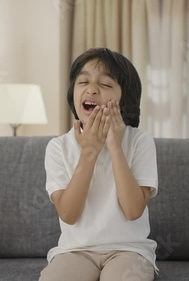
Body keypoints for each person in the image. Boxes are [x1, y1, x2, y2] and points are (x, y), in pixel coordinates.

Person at [39, 47, 158, 281]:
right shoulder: (58, 147)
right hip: (75, 251)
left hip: (130, 250)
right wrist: (89, 153)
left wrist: (114, 146)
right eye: (83, 82)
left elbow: (134, 211)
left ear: (122, 102)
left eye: (105, 85)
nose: (91, 89)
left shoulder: (140, 141)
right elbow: (68, 214)